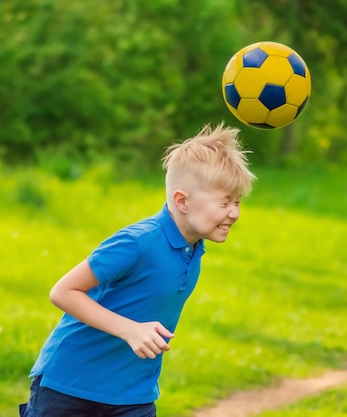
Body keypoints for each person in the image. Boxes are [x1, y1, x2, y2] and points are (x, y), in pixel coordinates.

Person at [20, 123, 256, 417]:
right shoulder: (138, 242)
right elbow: (63, 292)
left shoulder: (193, 249)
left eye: (237, 202)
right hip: (70, 387)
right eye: (224, 203)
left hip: (133, 394)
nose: (234, 213)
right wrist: (130, 330)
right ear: (182, 201)